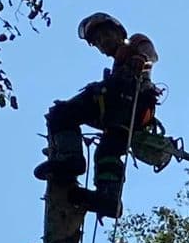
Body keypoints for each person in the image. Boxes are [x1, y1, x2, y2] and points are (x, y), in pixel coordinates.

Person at [33, 12, 163, 217]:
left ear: (118, 31)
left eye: (104, 35)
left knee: (64, 114)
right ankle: (105, 194)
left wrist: (140, 58)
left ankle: (78, 167)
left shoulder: (135, 43)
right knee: (104, 149)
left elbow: (150, 54)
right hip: (115, 110)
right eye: (98, 41)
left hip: (132, 102)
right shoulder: (116, 68)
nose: (103, 42)